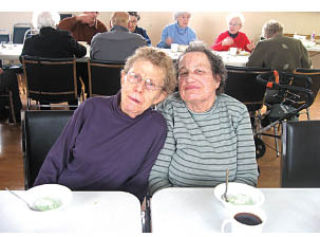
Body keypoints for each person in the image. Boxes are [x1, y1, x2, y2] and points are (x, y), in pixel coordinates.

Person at [34, 46, 177, 202]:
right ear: (123, 78)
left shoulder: (156, 127)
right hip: (66, 198)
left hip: (111, 208)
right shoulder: (91, 108)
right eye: (135, 77)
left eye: (150, 84)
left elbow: (138, 183)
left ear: (160, 97)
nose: (139, 88)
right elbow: (56, 158)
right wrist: (40, 197)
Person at [148, 44, 258, 195]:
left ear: (217, 80)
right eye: (183, 73)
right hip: (176, 200)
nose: (189, 78)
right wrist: (172, 203)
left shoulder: (237, 112)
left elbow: (247, 175)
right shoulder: (169, 108)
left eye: (199, 71)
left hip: (226, 202)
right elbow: (157, 174)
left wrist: (229, 202)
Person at [20, 11, 87, 108]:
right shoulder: (65, 38)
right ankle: (74, 113)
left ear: (37, 23)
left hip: (39, 90)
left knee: (41, 77)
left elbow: (22, 60)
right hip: (67, 88)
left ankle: (45, 112)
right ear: (54, 22)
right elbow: (82, 52)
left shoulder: (30, 42)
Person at [247, 19, 311, 72]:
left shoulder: (263, 43)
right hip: (296, 83)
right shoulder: (297, 43)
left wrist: (253, 51)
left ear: (266, 33)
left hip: (272, 82)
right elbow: (307, 65)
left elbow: (251, 66)